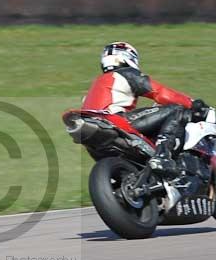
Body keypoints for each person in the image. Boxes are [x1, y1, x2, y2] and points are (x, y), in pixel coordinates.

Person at [81, 42, 209, 178]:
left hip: (93, 139)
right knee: (177, 110)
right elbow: (161, 93)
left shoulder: (94, 87)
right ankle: (163, 156)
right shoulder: (125, 74)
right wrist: (192, 103)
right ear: (126, 57)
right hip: (116, 121)